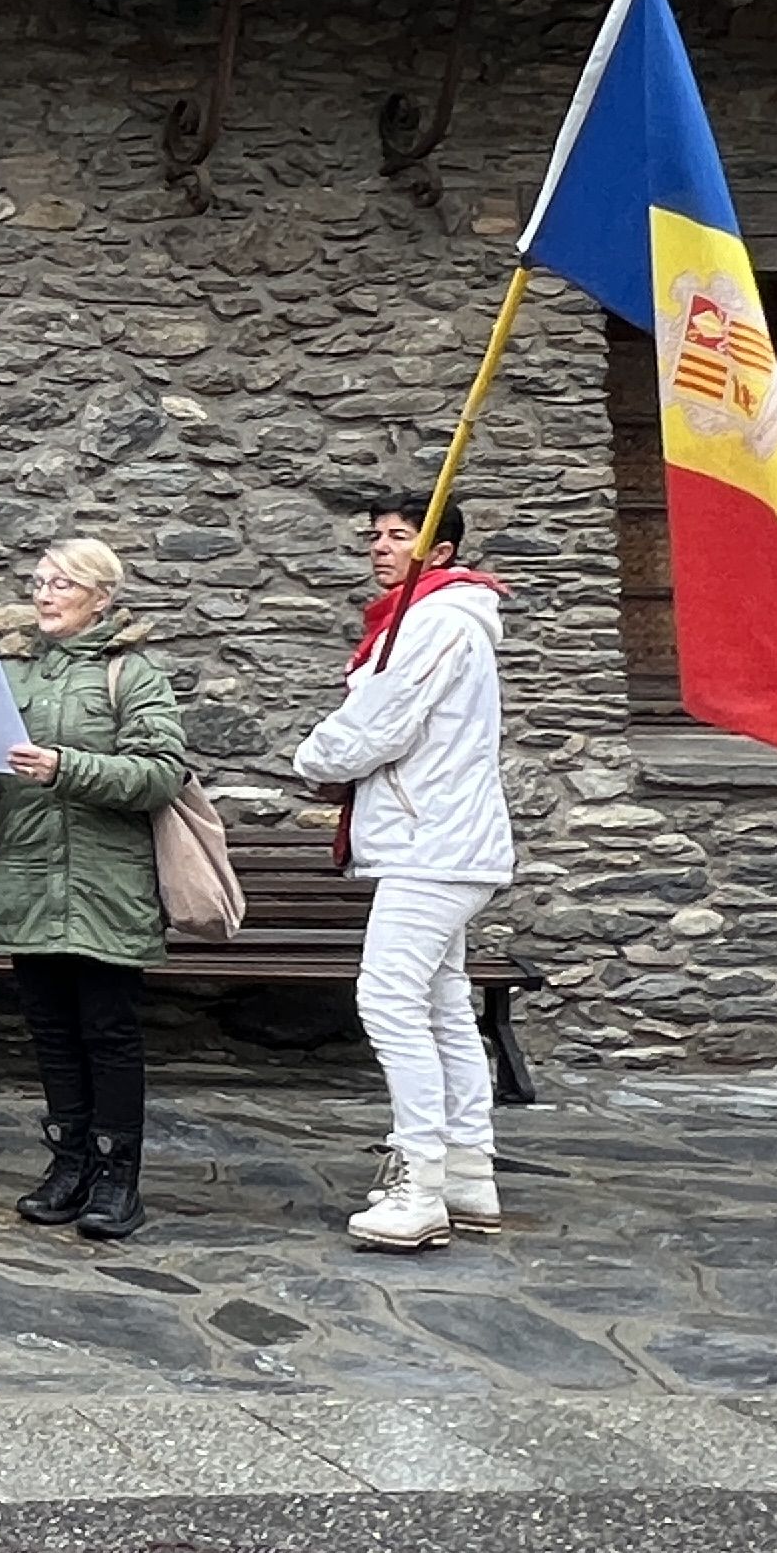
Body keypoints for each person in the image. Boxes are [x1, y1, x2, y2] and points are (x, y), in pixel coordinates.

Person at [0, 536, 186, 1240]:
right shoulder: (20, 678)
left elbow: (160, 772)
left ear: (102, 598)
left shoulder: (131, 676)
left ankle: (116, 1175)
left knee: (107, 1032)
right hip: (28, 879)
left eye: (62, 583)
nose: (43, 593)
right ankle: (68, 1162)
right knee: (49, 1032)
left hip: (105, 886)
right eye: (39, 580)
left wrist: (65, 767)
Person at [298, 494, 515, 1255]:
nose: (383, 548)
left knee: (388, 996)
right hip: (441, 838)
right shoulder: (431, 618)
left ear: (444, 551)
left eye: (402, 536)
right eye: (378, 536)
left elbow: (379, 724)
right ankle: (466, 1171)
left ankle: (418, 1181)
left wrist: (314, 761)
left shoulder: (433, 621)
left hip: (437, 842)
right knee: (442, 1001)